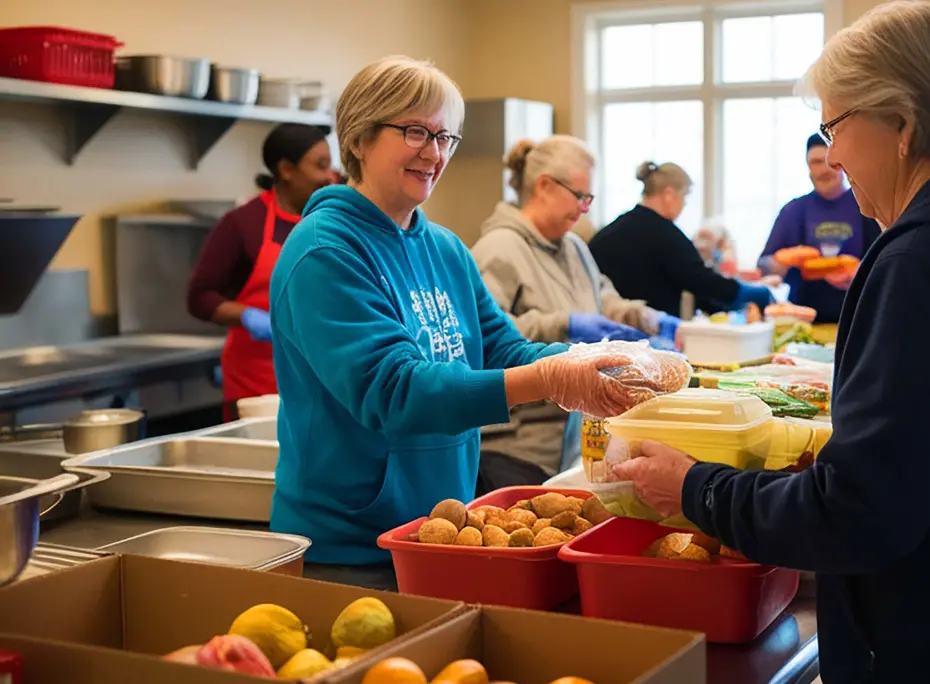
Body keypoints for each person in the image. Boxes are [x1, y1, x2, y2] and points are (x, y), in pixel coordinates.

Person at [612, 3, 930, 682]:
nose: (834, 157)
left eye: (833, 127)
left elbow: (861, 514)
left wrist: (699, 491)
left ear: (903, 125)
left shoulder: (927, 261)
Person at [267, 56, 654, 588]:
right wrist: (549, 379)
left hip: (443, 529)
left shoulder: (444, 248)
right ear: (358, 138)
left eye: (446, 136)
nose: (434, 153)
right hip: (352, 549)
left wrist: (594, 364)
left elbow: (503, 348)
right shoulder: (323, 251)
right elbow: (394, 389)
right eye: (414, 131)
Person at [468, 138, 676, 486]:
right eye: (580, 196)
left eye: (588, 198)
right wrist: (565, 326)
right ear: (545, 186)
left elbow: (605, 298)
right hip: (517, 449)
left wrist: (649, 319)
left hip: (575, 440)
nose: (585, 209)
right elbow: (483, 340)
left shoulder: (575, 248)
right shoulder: (498, 249)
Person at [187, 123, 332, 420]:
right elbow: (200, 297)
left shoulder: (329, 221)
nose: (330, 177)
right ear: (287, 170)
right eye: (320, 166)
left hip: (320, 377)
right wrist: (247, 317)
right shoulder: (243, 223)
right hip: (257, 386)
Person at [590, 161, 773, 318]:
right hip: (647, 332)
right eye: (684, 198)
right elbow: (700, 279)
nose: (683, 206)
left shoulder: (609, 232)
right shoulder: (663, 233)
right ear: (669, 194)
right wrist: (749, 293)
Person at [758, 133, 881, 323]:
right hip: (804, 317)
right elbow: (763, 265)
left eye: (828, 161)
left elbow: (886, 260)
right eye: (815, 162)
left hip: (859, 315)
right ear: (807, 167)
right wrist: (779, 263)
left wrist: (860, 273)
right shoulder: (793, 210)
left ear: (841, 163)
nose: (824, 169)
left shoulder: (867, 206)